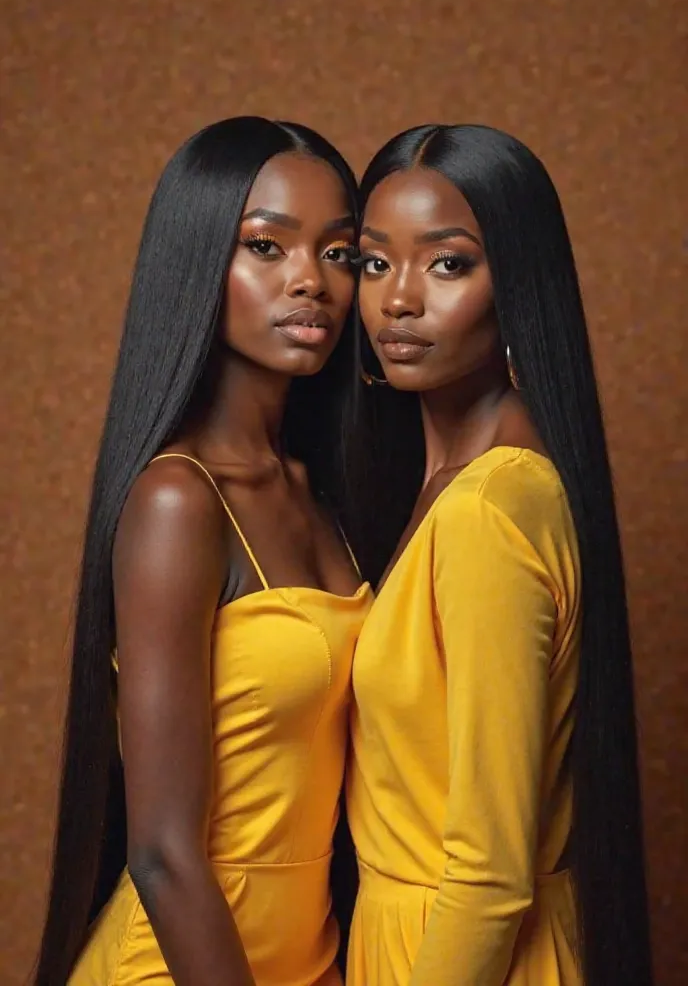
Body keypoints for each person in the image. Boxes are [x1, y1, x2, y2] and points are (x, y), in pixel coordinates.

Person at [34, 116, 372, 986]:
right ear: (200, 264)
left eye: (338, 253)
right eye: (267, 246)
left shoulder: (322, 494)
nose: (311, 282)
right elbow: (163, 852)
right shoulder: (179, 501)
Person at [342, 124, 653, 986]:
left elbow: (487, 877)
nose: (398, 300)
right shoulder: (450, 481)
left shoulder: (486, 510)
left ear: (518, 282)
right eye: (374, 263)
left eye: (447, 264)